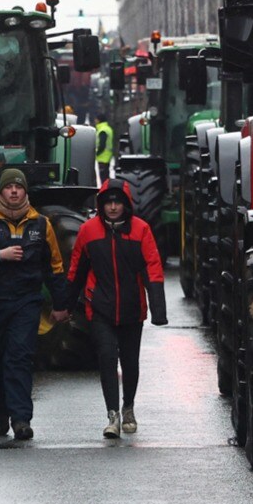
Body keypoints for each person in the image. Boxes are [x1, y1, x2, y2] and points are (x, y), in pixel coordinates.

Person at [0, 168, 69, 440]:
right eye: (8, 187)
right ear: (0, 192)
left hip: (26, 302)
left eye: (18, 187)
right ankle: (1, 411)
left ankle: (21, 419)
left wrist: (60, 304)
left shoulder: (41, 225)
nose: (13, 191)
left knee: (19, 358)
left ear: (25, 192)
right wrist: (0, 255)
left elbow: (54, 267)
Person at [63, 178, 167, 439]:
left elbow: (153, 269)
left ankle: (128, 407)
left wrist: (159, 311)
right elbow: (76, 271)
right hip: (100, 308)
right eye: (108, 202)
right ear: (101, 204)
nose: (112, 207)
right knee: (107, 358)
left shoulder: (141, 230)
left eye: (117, 202)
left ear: (126, 205)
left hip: (132, 309)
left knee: (130, 362)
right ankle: (113, 415)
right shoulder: (88, 231)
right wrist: (64, 305)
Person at [95, 111, 114, 183]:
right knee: (106, 176)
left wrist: (97, 153)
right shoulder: (107, 128)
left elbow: (102, 144)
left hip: (103, 156)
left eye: (96, 119)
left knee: (103, 177)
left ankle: (105, 189)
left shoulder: (102, 130)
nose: (95, 121)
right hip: (107, 155)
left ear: (99, 120)